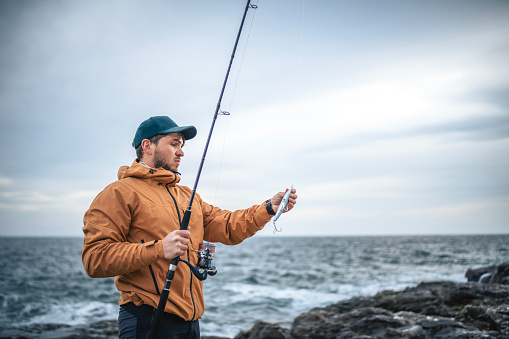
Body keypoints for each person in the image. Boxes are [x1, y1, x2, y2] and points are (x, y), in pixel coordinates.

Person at [82, 116, 297, 338]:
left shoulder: (188, 196)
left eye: (181, 146)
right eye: (174, 144)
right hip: (146, 317)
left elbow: (228, 226)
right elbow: (94, 258)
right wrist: (159, 248)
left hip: (190, 322)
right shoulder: (119, 192)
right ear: (147, 146)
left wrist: (268, 208)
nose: (181, 152)